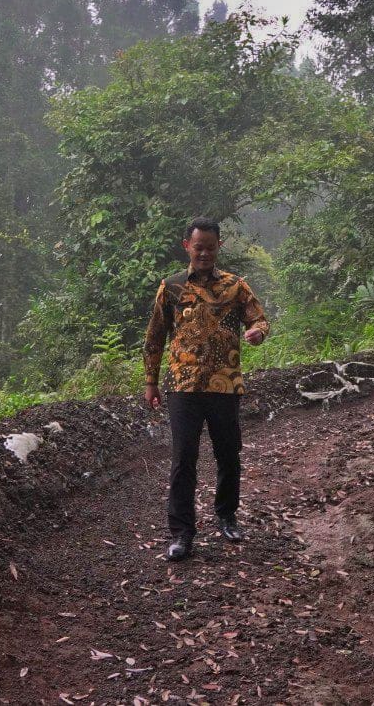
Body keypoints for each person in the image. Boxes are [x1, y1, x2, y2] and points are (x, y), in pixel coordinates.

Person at [143, 217, 270, 562]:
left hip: (225, 384)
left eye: (211, 247)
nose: (205, 253)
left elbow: (259, 318)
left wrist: (258, 332)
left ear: (219, 248)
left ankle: (227, 516)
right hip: (182, 386)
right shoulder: (170, 287)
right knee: (184, 459)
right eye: (199, 247)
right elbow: (155, 337)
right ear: (187, 245)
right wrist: (151, 382)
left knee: (229, 454)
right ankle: (181, 533)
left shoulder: (236, 286)